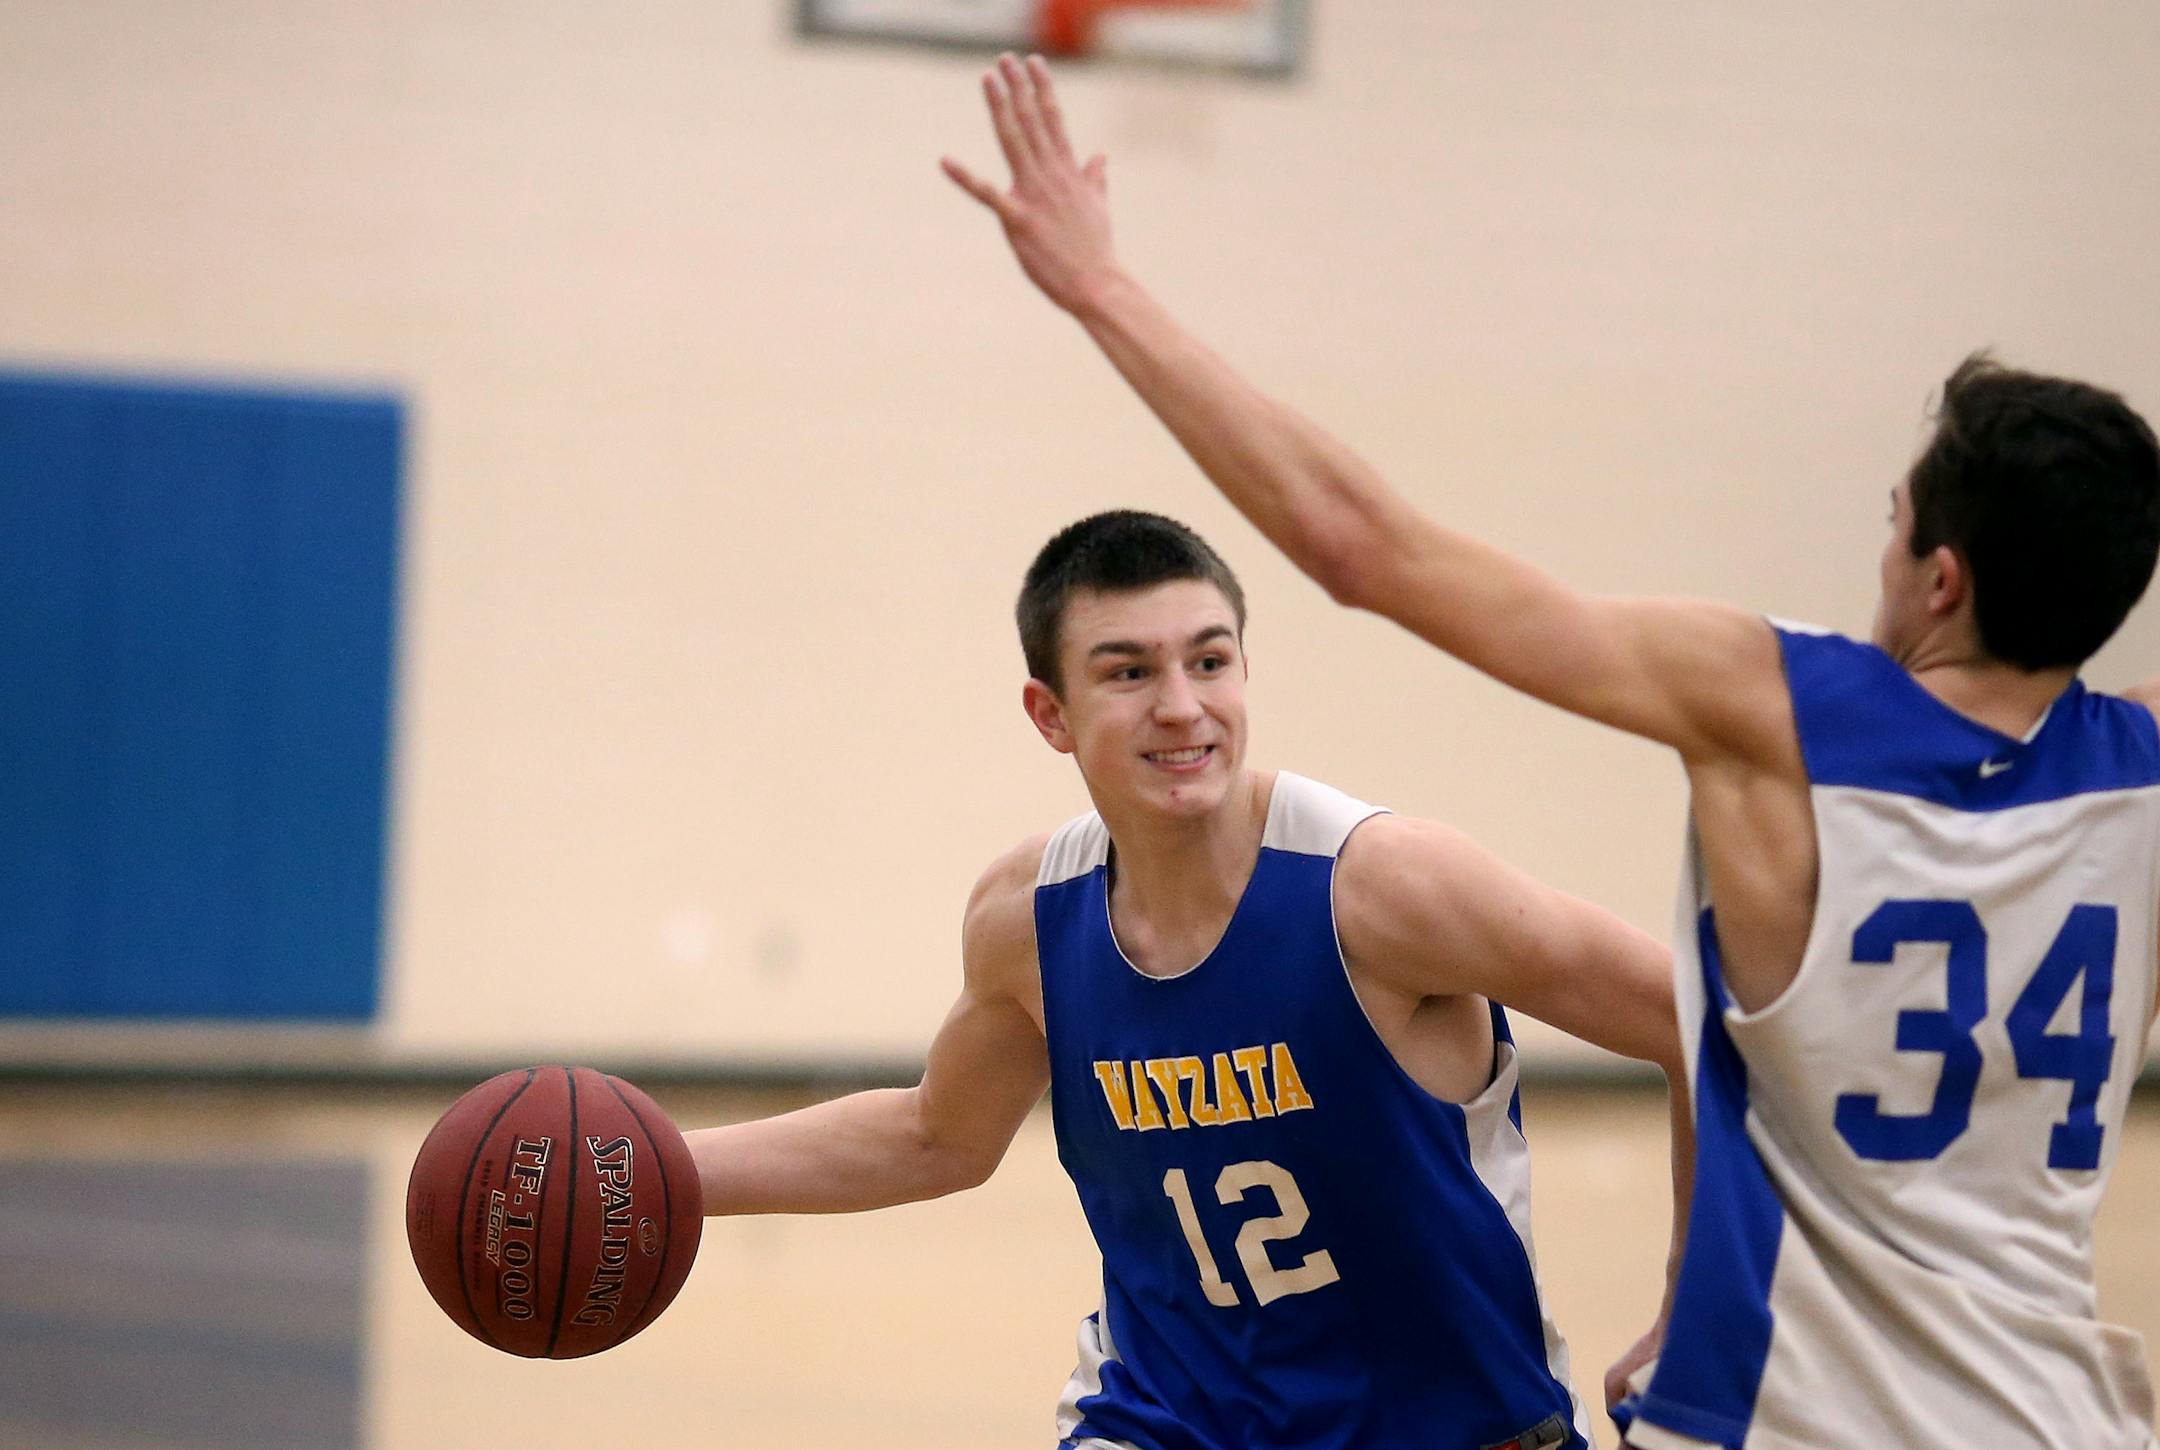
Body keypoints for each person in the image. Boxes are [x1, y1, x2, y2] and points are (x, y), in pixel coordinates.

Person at [941, 52, 2160, 1450]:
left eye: (1893, 522)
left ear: (1937, 578)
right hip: (2065, 1416)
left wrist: (1104, 289)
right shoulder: (2141, 787)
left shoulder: (1782, 706)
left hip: (1798, 1410)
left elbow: (1364, 547)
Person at [689, 508, 1684, 1450]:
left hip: (1452, 1421)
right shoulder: (1027, 917)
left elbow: (1698, 1024)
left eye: (1208, 660)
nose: (1181, 705)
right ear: (1052, 714)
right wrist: (653, 1173)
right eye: (1128, 672)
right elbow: (935, 1135)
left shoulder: (1383, 888)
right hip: (1163, 1419)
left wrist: (1699, 1298)